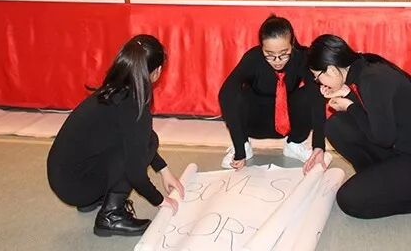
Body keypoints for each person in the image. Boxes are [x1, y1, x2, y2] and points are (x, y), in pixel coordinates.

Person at [47, 35, 184, 237]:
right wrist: (161, 201)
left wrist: (164, 170)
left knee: (141, 139)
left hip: (63, 176)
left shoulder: (113, 91)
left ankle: (93, 199)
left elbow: (139, 138)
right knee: (143, 145)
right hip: (76, 186)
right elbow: (135, 172)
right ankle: (111, 216)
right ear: (156, 72)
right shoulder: (133, 106)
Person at [307, 34, 411, 220]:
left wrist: (350, 106)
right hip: (401, 148)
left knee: (349, 200)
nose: (319, 83)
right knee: (336, 126)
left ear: (332, 70)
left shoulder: (373, 80)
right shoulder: (363, 67)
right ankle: (379, 182)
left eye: (317, 78)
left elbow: (383, 138)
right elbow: (376, 117)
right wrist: (347, 95)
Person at [218, 15, 327, 172]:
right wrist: (239, 148)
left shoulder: (302, 57)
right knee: (235, 94)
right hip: (255, 121)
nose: (277, 60)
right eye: (269, 54)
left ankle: (294, 144)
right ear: (261, 47)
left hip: (288, 122)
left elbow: (316, 96)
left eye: (284, 53)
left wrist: (319, 145)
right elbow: (226, 93)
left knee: (313, 91)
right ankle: (244, 145)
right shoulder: (253, 58)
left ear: (292, 43)